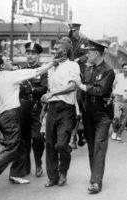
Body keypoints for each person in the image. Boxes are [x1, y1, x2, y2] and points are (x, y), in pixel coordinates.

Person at [0, 55, 54, 192]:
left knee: (21, 145)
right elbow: (36, 72)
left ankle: (16, 174)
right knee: (12, 147)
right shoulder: (9, 75)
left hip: (4, 115)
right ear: (1, 66)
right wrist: (52, 63)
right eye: (7, 61)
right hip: (10, 114)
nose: (10, 62)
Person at [75, 40, 115, 194]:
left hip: (102, 113)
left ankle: (95, 182)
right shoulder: (88, 69)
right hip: (88, 112)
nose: (87, 54)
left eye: (89, 52)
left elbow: (100, 91)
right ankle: (95, 176)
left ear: (97, 53)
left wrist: (82, 86)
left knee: (99, 146)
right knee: (92, 147)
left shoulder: (108, 70)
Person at [41, 37, 80, 188]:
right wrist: (46, 101)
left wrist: (53, 93)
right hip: (52, 108)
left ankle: (63, 171)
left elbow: (72, 86)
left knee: (61, 144)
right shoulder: (51, 66)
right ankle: (53, 177)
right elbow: (47, 87)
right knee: (50, 144)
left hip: (66, 108)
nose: (54, 51)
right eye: (54, 48)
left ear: (66, 50)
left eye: (58, 48)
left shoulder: (73, 65)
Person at [18, 42, 47, 178]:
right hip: (23, 105)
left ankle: (39, 163)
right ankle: (26, 166)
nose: (30, 56)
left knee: (36, 137)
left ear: (38, 56)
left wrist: (33, 89)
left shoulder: (42, 71)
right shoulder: (21, 70)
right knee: (24, 138)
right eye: (28, 53)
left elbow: (45, 88)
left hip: (36, 105)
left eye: (33, 54)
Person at [68, 23, 88, 149]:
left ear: (78, 30)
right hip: (68, 67)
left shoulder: (84, 40)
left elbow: (87, 55)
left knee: (85, 85)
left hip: (80, 67)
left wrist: (78, 60)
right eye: (70, 30)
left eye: (74, 30)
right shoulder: (67, 39)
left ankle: (84, 109)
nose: (72, 32)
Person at [111, 63, 127, 141]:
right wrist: (114, 92)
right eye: (124, 68)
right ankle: (114, 131)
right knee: (116, 117)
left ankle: (119, 133)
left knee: (124, 119)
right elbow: (113, 85)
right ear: (122, 69)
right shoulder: (118, 76)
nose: (126, 70)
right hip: (118, 98)